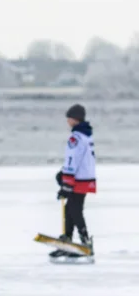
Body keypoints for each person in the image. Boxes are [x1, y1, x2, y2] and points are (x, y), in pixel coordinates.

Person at [52, 104, 96, 260]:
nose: (67, 121)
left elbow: (73, 159)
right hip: (85, 177)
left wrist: (66, 181)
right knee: (70, 208)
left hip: (77, 179)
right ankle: (67, 240)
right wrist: (63, 174)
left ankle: (85, 241)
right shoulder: (87, 135)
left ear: (74, 119)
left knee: (75, 210)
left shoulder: (76, 137)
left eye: (68, 118)